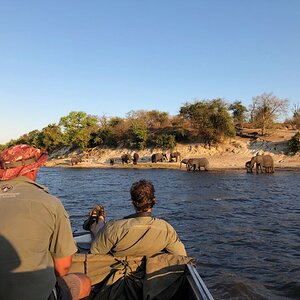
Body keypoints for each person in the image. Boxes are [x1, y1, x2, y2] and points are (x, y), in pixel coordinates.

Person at [0, 144, 91, 300]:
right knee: (84, 281)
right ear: (32, 170)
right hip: (38, 295)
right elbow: (63, 268)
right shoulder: (50, 203)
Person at [84, 179, 187, 257]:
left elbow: (94, 254)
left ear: (133, 203)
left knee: (101, 233)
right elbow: (182, 257)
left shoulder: (115, 227)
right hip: (149, 277)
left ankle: (94, 224)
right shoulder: (167, 229)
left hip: (119, 276)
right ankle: (98, 222)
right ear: (154, 201)